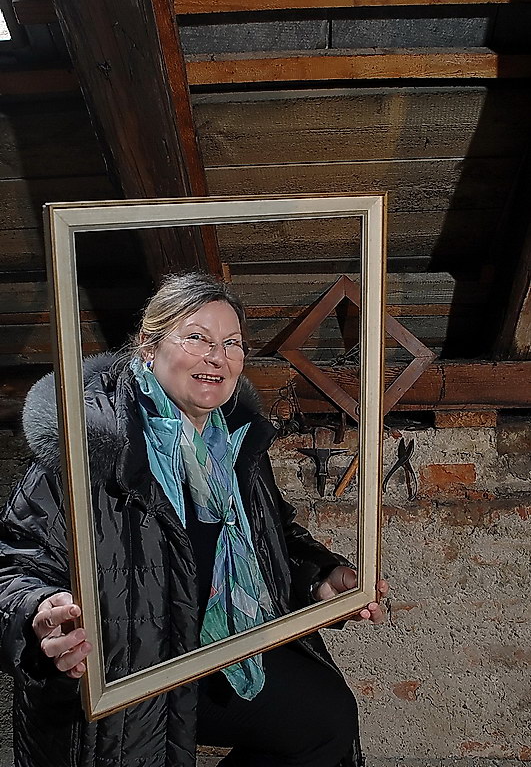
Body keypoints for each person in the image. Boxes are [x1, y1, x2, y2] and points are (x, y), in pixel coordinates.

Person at [0, 272, 387, 767]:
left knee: (324, 719)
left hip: (214, 648)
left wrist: (321, 580)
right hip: (122, 669)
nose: (217, 356)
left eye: (231, 343)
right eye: (198, 338)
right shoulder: (89, 443)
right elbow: (13, 564)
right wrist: (38, 615)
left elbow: (275, 537)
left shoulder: (235, 441)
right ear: (148, 346)